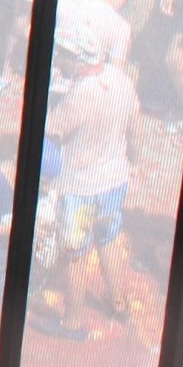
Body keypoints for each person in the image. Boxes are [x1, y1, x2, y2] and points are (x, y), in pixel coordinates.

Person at [42, 32, 139, 339]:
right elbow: (134, 127)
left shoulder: (80, 94)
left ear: (79, 59)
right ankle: (119, 305)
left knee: (75, 254)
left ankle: (72, 323)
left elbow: (50, 130)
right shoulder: (122, 80)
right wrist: (134, 160)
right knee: (108, 239)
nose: (58, 59)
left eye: (63, 54)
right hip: (114, 180)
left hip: (80, 188)